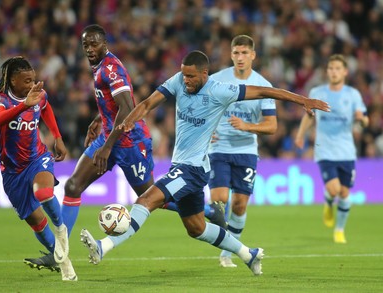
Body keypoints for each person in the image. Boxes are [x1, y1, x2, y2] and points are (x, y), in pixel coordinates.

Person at [80, 50, 330, 275]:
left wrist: (302, 100)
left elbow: (265, 91)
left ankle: (104, 246)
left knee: (146, 200)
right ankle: (248, 254)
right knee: (196, 228)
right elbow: (146, 103)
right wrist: (127, 122)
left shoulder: (221, 91)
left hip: (192, 169)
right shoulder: (178, 81)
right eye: (183, 75)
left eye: (190, 77)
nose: (185, 81)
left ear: (204, 74)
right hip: (186, 166)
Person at [24, 24, 155, 270]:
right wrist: (98, 120)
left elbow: (127, 109)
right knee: (73, 186)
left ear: (105, 44)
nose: (90, 49)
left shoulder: (111, 69)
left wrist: (106, 147)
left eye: (94, 44)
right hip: (109, 134)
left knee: (153, 198)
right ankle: (59, 253)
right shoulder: (98, 67)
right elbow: (114, 105)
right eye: (86, 45)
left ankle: (207, 212)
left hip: (130, 143)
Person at [0, 56, 76, 281]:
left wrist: (57, 137)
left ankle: (61, 230)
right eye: (26, 81)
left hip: (37, 158)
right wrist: (24, 105)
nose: (31, 85)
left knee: (44, 192)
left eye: (33, 80)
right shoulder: (0, 101)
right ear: (13, 81)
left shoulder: (38, 95)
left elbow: (45, 108)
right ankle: (60, 259)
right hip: (12, 172)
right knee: (36, 221)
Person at [207, 35, 277, 268]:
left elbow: (272, 126)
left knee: (239, 206)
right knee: (218, 202)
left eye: (244, 53)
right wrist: (206, 130)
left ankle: (227, 253)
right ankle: (229, 248)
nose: (240, 57)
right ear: (231, 54)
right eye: (236, 53)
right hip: (218, 148)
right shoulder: (217, 80)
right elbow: (199, 108)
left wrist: (248, 126)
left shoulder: (264, 86)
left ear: (253, 55)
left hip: (246, 151)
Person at [295, 54, 368, 244]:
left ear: (345, 72)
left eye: (337, 68)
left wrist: (362, 119)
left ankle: (339, 229)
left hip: (346, 151)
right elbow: (309, 116)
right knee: (334, 189)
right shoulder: (318, 92)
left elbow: (364, 117)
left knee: (344, 193)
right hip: (325, 150)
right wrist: (300, 135)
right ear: (327, 71)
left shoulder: (352, 94)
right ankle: (328, 200)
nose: (333, 71)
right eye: (330, 68)